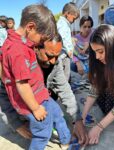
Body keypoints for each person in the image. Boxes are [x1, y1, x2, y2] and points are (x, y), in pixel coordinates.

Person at [0, 4, 71, 150]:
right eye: (42, 38)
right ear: (30, 27)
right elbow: (22, 84)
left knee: (57, 114)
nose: (39, 43)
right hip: (34, 103)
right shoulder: (17, 51)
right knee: (42, 134)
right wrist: (36, 108)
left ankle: (65, 141)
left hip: (42, 96)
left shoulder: (22, 42)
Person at [36, 33, 89, 147]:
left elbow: (64, 88)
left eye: (57, 56)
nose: (53, 61)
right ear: (36, 48)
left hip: (44, 95)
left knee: (55, 112)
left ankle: (65, 140)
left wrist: (77, 119)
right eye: (49, 55)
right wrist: (16, 123)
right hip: (28, 99)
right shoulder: (22, 61)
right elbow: (6, 93)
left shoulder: (56, 62)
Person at [57, 2, 79, 81]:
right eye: (73, 18)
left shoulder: (63, 23)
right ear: (68, 13)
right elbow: (62, 38)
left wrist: (71, 39)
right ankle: (65, 92)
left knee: (66, 75)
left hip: (64, 55)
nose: (73, 21)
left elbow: (65, 37)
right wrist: (68, 50)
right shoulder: (63, 24)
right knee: (65, 77)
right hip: (64, 56)